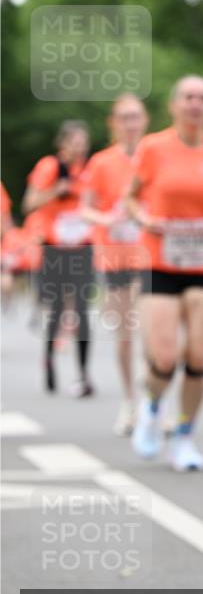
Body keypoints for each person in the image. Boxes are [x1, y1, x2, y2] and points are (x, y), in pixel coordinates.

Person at [126, 76, 203, 471]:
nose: (196, 104)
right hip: (161, 260)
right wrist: (146, 217)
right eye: (189, 97)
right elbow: (131, 197)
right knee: (164, 357)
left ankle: (185, 437)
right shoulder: (153, 148)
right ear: (174, 105)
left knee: (197, 358)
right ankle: (153, 405)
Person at [81, 94, 149, 435]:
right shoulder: (102, 162)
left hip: (150, 254)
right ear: (113, 123)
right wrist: (106, 218)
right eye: (124, 118)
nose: (130, 124)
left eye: (135, 117)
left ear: (145, 120)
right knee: (124, 335)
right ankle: (129, 402)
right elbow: (85, 208)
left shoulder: (155, 156)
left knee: (151, 329)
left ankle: (156, 402)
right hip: (114, 254)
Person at [22, 121, 94, 396]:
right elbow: (30, 203)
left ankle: (83, 374)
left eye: (83, 142)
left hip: (82, 247)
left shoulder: (90, 169)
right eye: (75, 142)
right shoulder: (50, 166)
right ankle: (50, 361)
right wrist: (56, 190)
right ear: (62, 144)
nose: (80, 147)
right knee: (56, 310)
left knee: (82, 311)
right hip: (54, 248)